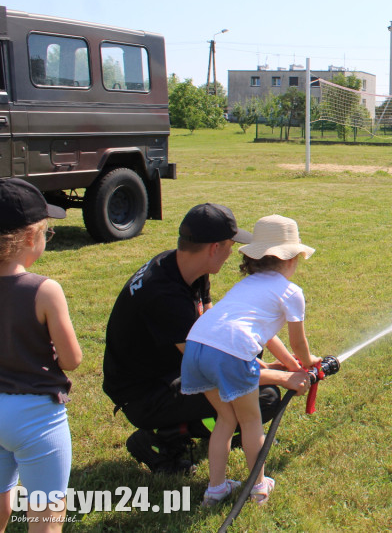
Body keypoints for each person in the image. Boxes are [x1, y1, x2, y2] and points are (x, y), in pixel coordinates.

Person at [102, 203, 310, 475]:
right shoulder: (163, 295)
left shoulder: (185, 268)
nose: (232, 254)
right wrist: (282, 378)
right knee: (265, 398)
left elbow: (217, 335)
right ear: (215, 247)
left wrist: (270, 368)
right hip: (146, 395)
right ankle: (162, 437)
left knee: (251, 357)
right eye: (230, 245)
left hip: (175, 369)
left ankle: (211, 430)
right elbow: (210, 364)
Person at [181, 215, 319, 506]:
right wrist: (309, 361)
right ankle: (258, 486)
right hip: (231, 352)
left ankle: (216, 489)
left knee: (226, 419)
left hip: (197, 346)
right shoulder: (291, 292)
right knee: (251, 421)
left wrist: (294, 366)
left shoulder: (246, 286)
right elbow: (298, 343)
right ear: (293, 258)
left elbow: (269, 337)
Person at [0, 179, 82, 532]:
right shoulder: (45, 290)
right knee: (46, 518)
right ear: (31, 237)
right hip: (36, 417)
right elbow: (71, 359)